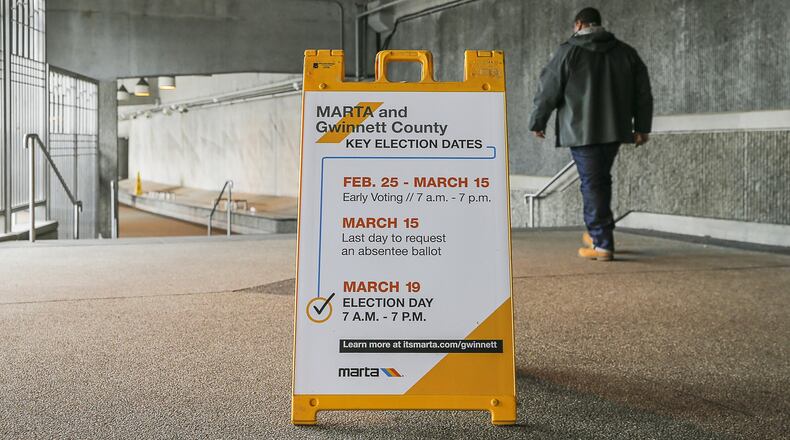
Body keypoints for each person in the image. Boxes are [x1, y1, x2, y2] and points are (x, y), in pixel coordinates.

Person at [528, 7, 653, 261]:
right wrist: (641, 127)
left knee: (593, 183)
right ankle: (599, 231)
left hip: (581, 130)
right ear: (599, 24)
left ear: (579, 24)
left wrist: (538, 121)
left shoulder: (568, 52)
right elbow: (643, 93)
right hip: (615, 129)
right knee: (599, 180)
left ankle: (602, 243)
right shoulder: (626, 52)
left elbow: (548, 90)